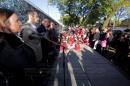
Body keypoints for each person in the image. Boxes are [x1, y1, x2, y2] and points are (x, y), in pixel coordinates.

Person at [0, 8, 36, 86]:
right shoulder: (8, 48)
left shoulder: (13, 39)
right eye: (17, 21)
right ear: (4, 25)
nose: (20, 23)